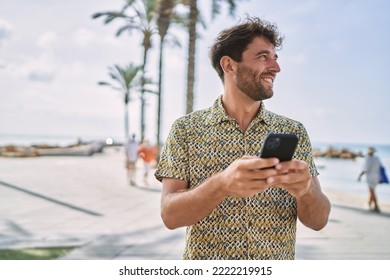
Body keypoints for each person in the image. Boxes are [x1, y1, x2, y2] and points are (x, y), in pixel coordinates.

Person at [155, 17, 331, 260]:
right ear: (229, 65)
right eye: (263, 57)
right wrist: (221, 184)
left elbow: (319, 221)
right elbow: (170, 216)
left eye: (275, 58)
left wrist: (306, 190)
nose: (275, 68)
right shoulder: (186, 130)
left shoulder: (294, 131)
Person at [358, 147, 382, 212]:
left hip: (370, 177)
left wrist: (359, 176)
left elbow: (365, 169)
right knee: (372, 191)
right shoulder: (377, 158)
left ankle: (376, 206)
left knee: (371, 192)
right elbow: (380, 167)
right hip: (377, 177)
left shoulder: (368, 158)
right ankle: (369, 204)